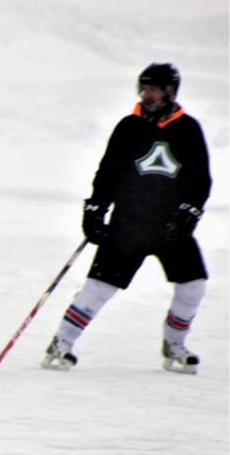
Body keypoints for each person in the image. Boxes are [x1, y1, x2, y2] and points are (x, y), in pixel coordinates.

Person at [42, 63, 212, 374]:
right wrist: (95, 208)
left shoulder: (188, 129)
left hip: (170, 227)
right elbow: (107, 172)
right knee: (100, 287)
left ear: (170, 92)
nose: (147, 95)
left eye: (154, 89)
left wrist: (191, 211)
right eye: (144, 88)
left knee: (193, 286)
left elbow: (200, 179)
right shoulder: (129, 126)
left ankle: (174, 343)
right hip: (129, 224)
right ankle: (61, 343)